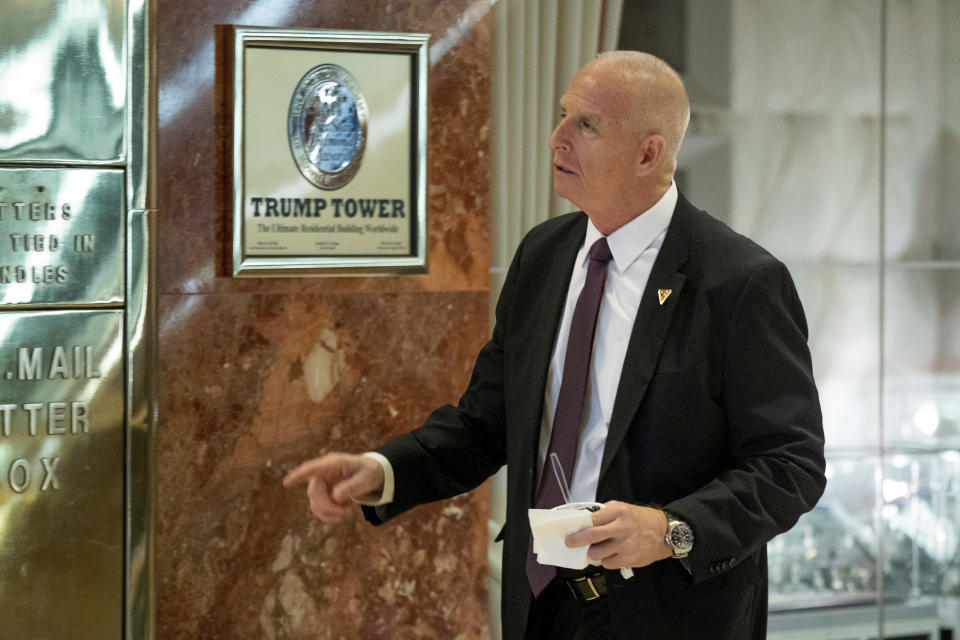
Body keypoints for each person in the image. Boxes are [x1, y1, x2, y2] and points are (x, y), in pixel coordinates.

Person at [284, 51, 826, 639]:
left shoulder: (741, 282)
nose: (556, 138)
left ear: (649, 153)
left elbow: (790, 464)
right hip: (542, 606)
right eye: (563, 115)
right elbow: (487, 422)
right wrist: (383, 469)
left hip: (670, 615)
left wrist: (672, 529)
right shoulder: (544, 255)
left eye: (586, 125)